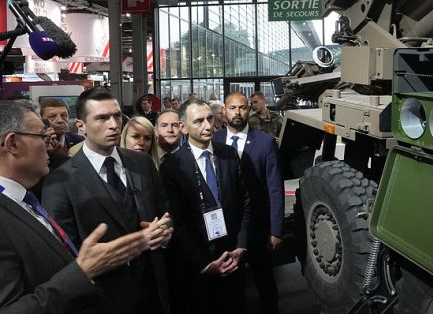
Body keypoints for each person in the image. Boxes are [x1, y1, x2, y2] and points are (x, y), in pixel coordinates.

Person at [0, 100, 150, 312]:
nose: (49, 144)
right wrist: (82, 271)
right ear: (12, 144)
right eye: (42, 137)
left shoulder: (25, 199)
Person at [42, 88, 173, 314]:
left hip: (154, 293)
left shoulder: (141, 162)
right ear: (80, 125)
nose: (113, 124)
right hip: (102, 300)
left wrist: (164, 231)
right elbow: (63, 255)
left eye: (117, 116)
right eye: (102, 118)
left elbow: (166, 212)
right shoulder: (60, 182)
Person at [160, 98, 251, 314]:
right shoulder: (172, 167)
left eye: (210, 118)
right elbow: (177, 223)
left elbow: (245, 202)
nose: (208, 126)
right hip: (197, 268)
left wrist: (240, 246)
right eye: (199, 121)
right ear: (183, 127)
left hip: (232, 259)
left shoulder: (229, 155)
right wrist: (204, 264)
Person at [216, 92, 283, 314]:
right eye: (232, 108)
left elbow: (275, 187)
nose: (237, 112)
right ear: (224, 111)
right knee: (231, 281)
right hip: (225, 226)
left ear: (249, 110)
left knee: (264, 278)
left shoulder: (264, 142)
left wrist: (275, 229)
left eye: (242, 108)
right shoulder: (214, 141)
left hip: (257, 224)